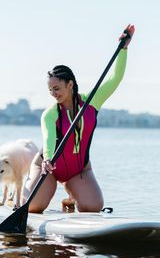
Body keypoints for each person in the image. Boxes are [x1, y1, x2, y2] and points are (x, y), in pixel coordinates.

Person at [22, 24, 135, 213]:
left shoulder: (91, 101)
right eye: (50, 90)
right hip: (48, 168)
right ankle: (17, 196)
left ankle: (70, 198)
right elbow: (49, 139)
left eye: (56, 88)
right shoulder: (50, 114)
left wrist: (123, 49)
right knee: (33, 207)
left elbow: (115, 78)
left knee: (93, 206)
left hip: (79, 170)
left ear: (70, 84)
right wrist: (48, 159)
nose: (53, 93)